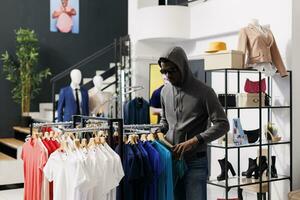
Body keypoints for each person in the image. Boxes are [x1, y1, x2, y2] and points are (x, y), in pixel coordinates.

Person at [158, 47, 229, 200]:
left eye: (172, 71)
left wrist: (194, 141)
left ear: (183, 66)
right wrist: (158, 130)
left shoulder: (205, 92)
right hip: (171, 159)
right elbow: (165, 121)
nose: (168, 75)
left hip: (195, 161)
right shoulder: (164, 92)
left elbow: (223, 124)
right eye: (164, 72)